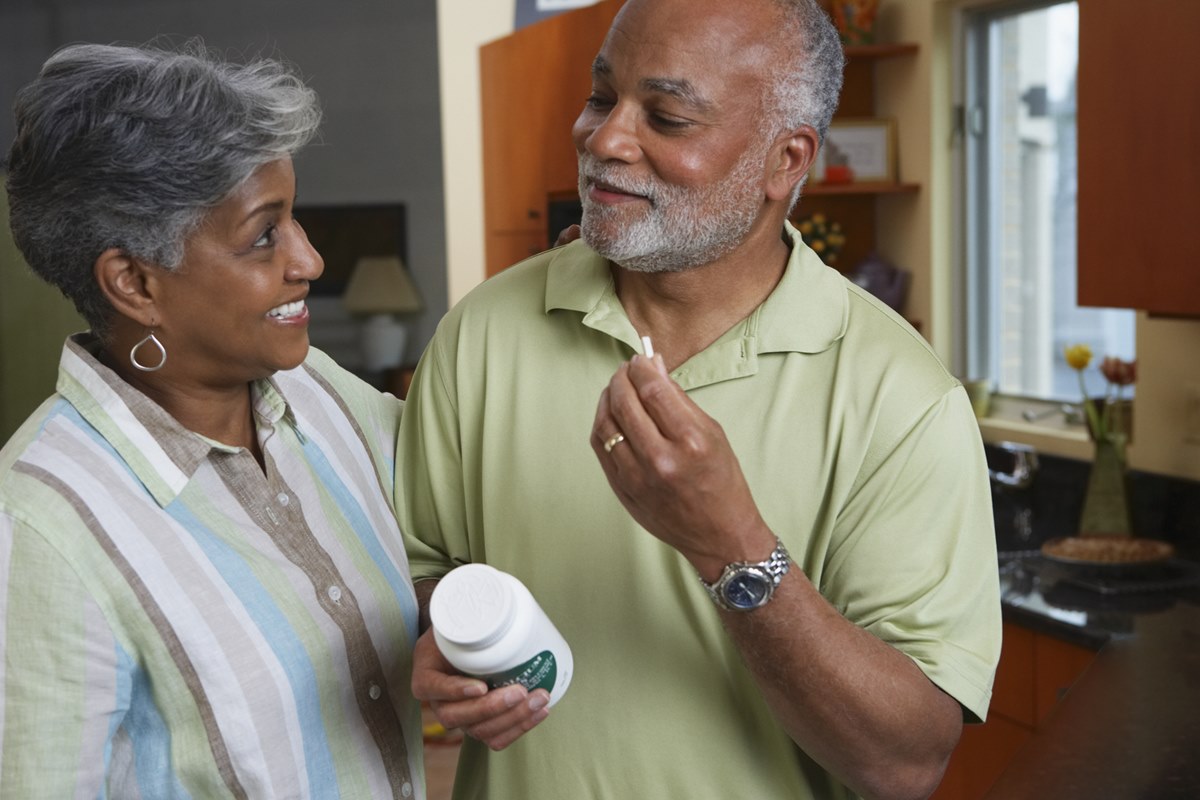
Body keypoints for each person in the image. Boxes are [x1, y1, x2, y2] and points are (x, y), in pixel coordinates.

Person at [399, 0, 1001, 797]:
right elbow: (414, 574)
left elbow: (904, 762)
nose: (605, 139)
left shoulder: (903, 400)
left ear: (785, 162)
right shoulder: (484, 330)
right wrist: (451, 638)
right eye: (601, 96)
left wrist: (735, 547)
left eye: (670, 117)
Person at [0, 43, 425, 798]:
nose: (310, 260)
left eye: (295, 219)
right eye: (264, 234)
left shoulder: (320, 393)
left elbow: (450, 523)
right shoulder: (38, 529)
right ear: (133, 282)